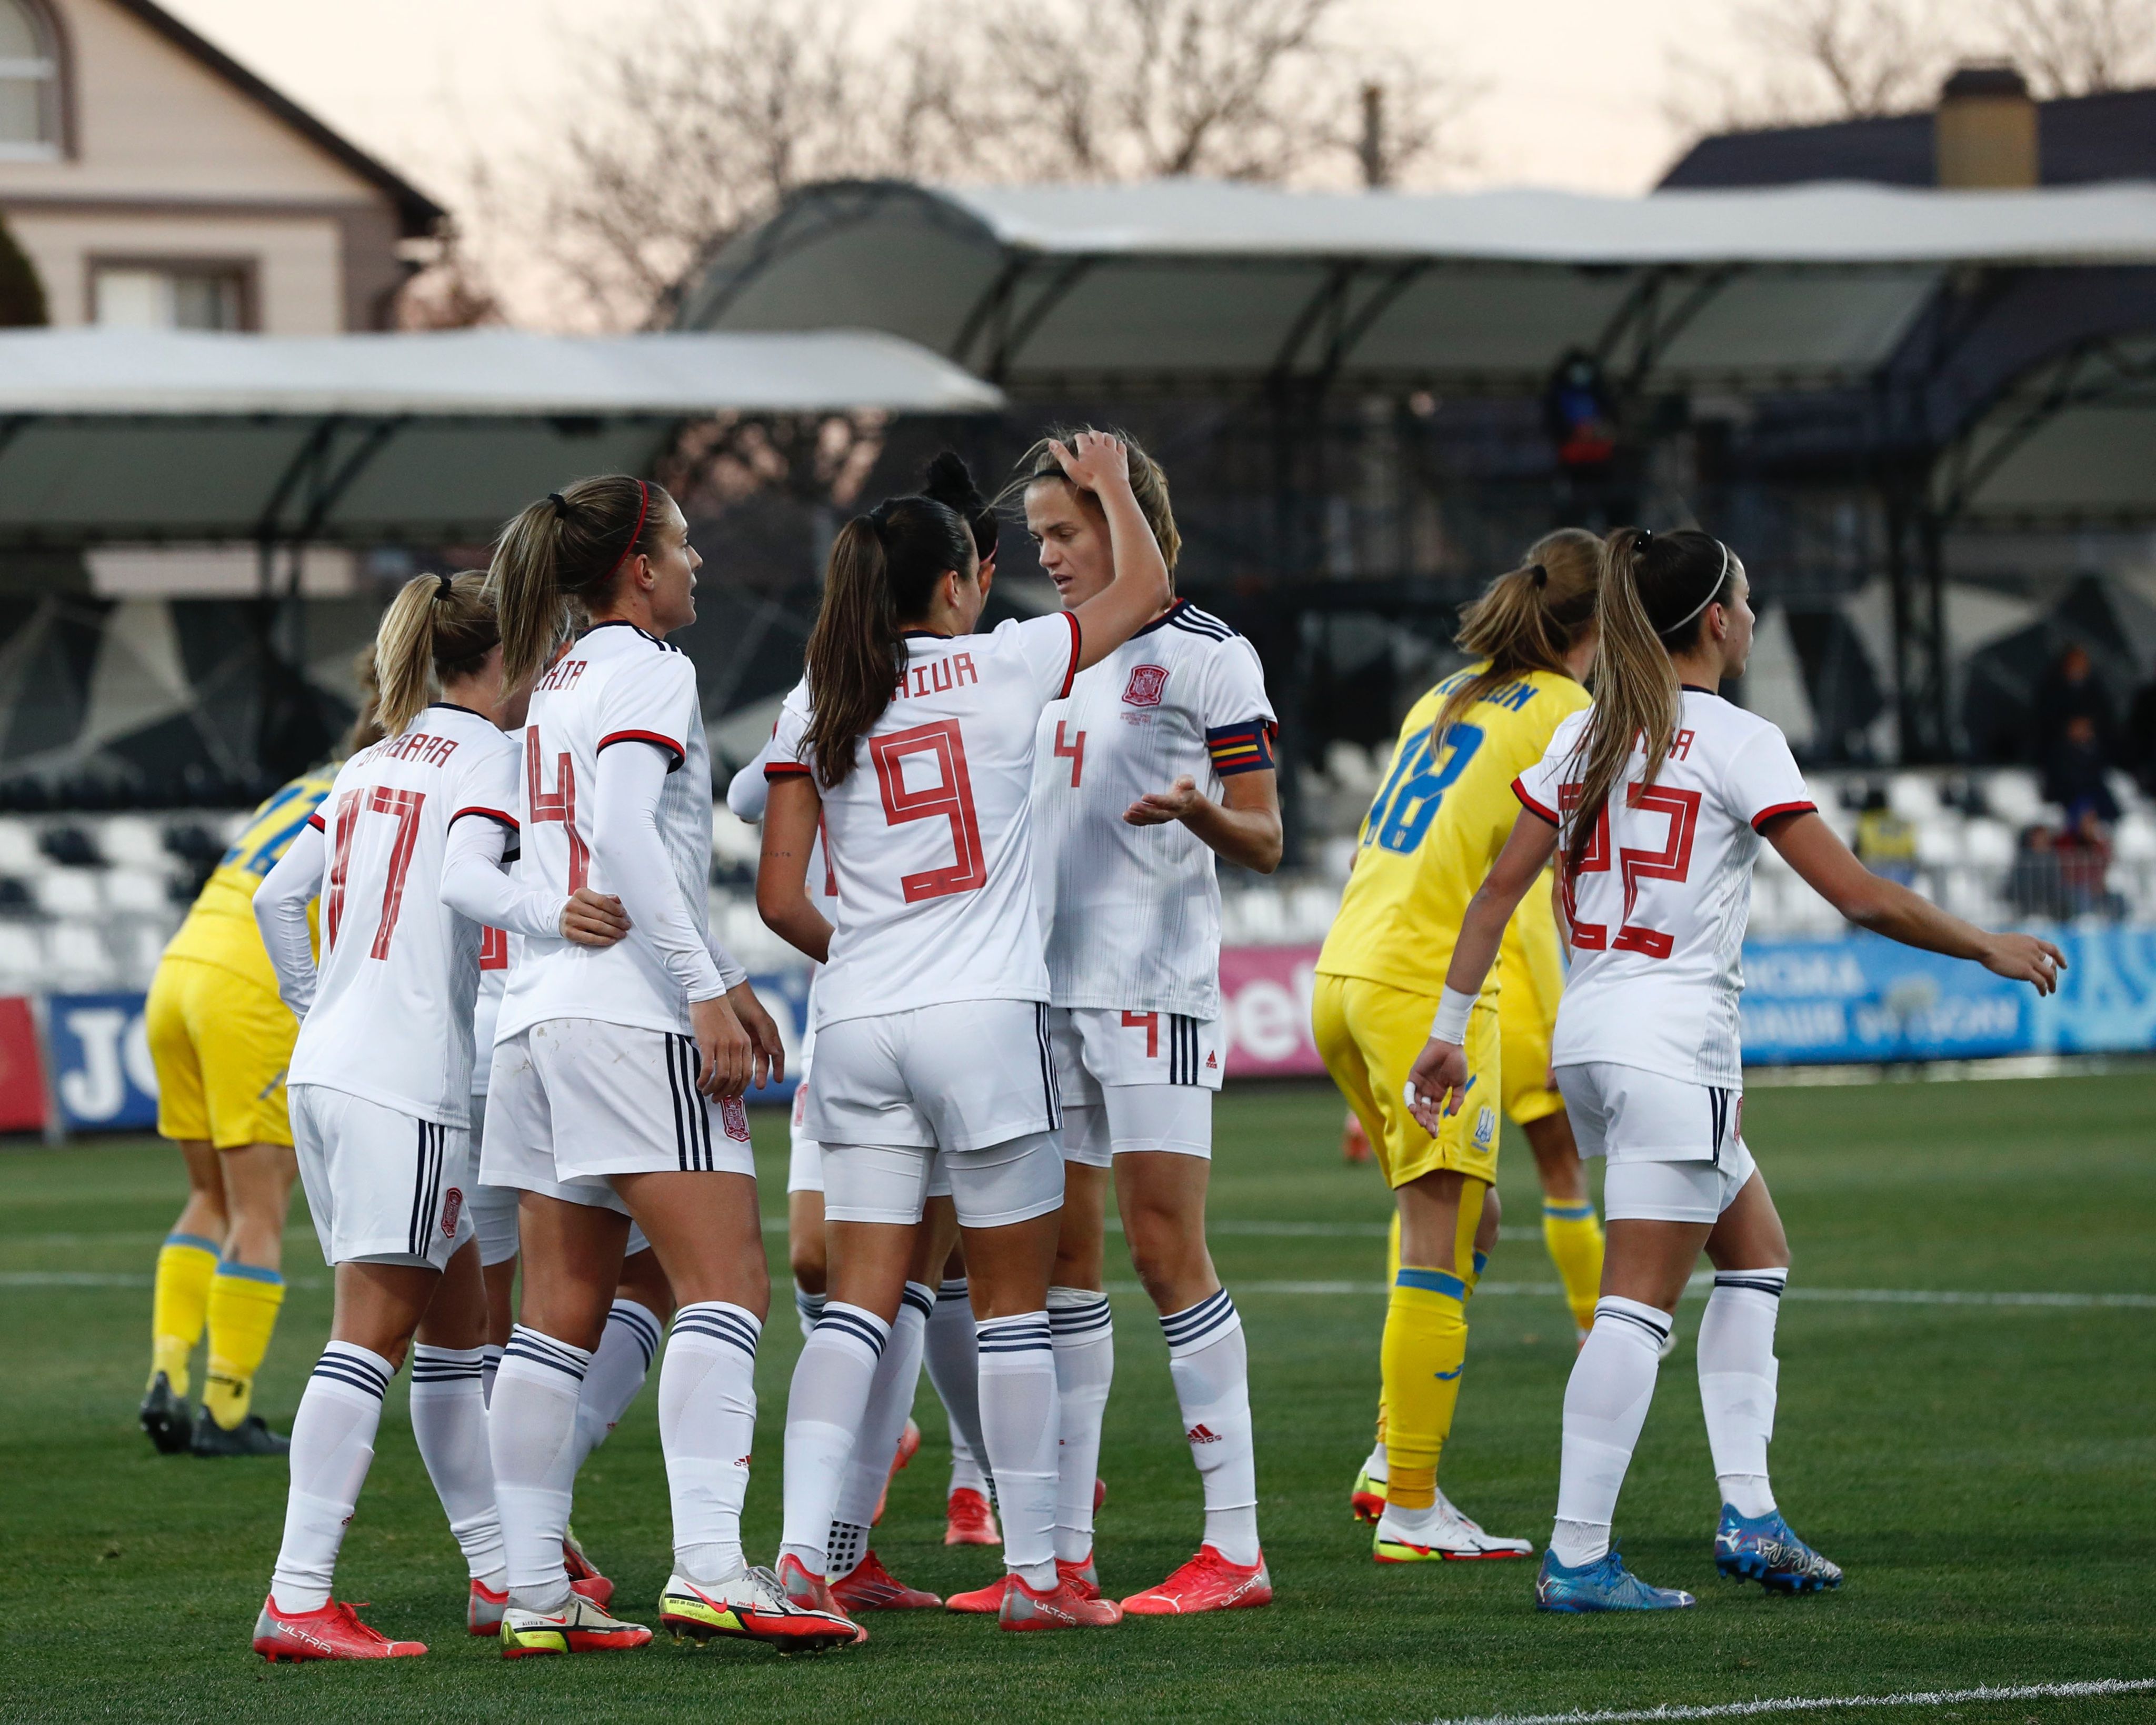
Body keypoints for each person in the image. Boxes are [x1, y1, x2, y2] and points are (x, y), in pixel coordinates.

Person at [1405, 526, 2063, 1612]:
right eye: (1746, 601)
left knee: (1754, 1254)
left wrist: (1446, 1026)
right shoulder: (1734, 738)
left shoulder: (1585, 738)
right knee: (1635, 1307)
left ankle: (1749, 1513)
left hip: (1594, 1036)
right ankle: (1576, 1557)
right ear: (1715, 621)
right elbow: (1855, 893)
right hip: (1673, 1041)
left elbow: (1488, 895)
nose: (1751, 619)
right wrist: (1981, 942)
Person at [757, 436, 1170, 1633]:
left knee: (858, 1306)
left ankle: (800, 1563)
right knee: (1009, 1309)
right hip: (983, 1021)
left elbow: (784, 902)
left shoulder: (815, 696)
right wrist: (1110, 493)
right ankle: (1040, 1578)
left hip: (861, 1020)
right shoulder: (1002, 664)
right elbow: (1140, 595)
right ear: (955, 583)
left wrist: (880, 958)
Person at [480, 475, 852, 1658]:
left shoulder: (554, 681)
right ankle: (708, 1566)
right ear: (639, 568)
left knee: (557, 1316)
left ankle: (534, 1589)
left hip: (537, 1021)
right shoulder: (649, 666)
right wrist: (704, 987)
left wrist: (720, 971)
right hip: (628, 1018)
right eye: (684, 546)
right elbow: (631, 834)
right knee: (726, 1287)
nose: (695, 565)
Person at [247, 571, 630, 1659]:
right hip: (404, 1079)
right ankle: (298, 1594)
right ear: (503, 658)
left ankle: (508, 1576)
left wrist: (324, 1007)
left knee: (458, 1338)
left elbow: (280, 895)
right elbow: (468, 884)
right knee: (369, 1337)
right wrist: (554, 916)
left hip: (331, 1066)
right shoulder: (488, 755)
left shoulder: (369, 759)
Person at [1019, 425, 1282, 1613]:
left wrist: (1198, 814)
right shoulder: (1045, 657)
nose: (1051, 558)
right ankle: (1064, 1550)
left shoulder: (1209, 658)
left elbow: (1268, 837)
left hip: (1150, 989)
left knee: (1164, 1251)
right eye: (1037, 540)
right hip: (1045, 991)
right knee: (1063, 1265)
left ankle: (1235, 1547)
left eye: (1066, 533)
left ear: (1129, 524)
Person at [1313, 529, 1603, 1564]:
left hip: (1342, 971)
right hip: (1427, 983)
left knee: (1469, 1221)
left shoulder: (1441, 696)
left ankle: (1395, 1452)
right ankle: (1411, 1504)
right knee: (1441, 1234)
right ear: (1598, 628)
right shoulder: (1571, 712)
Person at [139, 740, 361, 1455]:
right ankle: (226, 1409)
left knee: (211, 1194)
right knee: (261, 1205)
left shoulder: (307, 781)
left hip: (179, 967)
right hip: (249, 985)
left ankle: (167, 1370)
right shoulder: (390, 782)